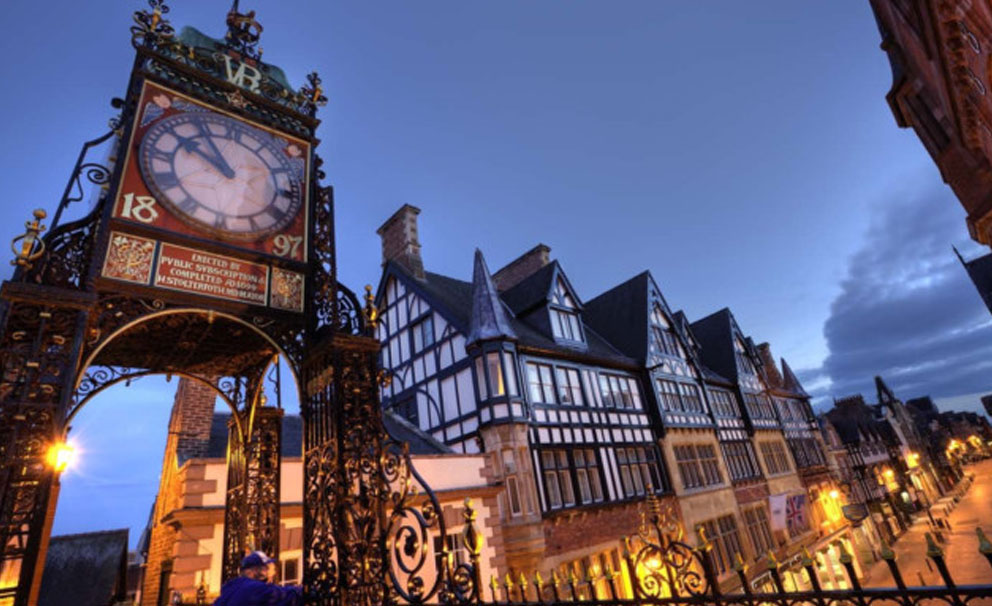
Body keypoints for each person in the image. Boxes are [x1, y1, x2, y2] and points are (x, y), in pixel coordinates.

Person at [213, 551, 302, 606]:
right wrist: (304, 589)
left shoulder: (231, 587)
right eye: (266, 568)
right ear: (253, 571)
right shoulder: (253, 588)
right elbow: (285, 595)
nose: (272, 573)